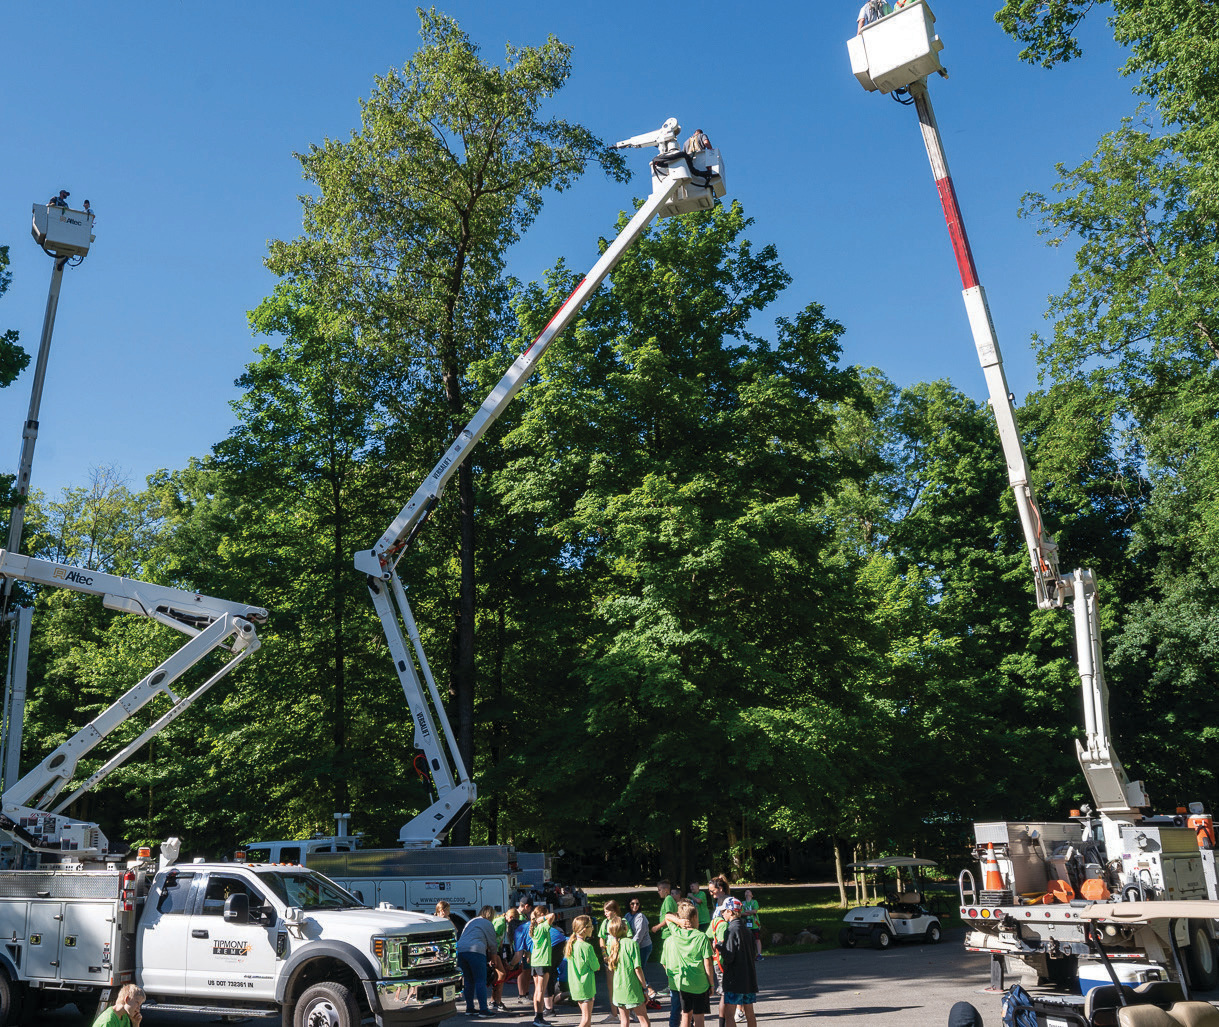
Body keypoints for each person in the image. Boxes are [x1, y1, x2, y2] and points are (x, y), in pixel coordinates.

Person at [661, 902, 713, 1027]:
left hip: (683, 983)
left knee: (685, 1015)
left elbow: (667, 917)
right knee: (699, 1016)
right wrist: (711, 983)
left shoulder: (676, 934)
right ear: (694, 917)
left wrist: (678, 922)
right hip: (700, 983)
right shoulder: (702, 937)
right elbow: (708, 963)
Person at [608, 916, 657, 1027]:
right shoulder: (632, 944)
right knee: (644, 1021)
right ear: (625, 929)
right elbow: (637, 969)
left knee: (624, 1022)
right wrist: (645, 988)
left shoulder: (612, 945)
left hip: (618, 989)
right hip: (632, 989)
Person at [715, 901, 757, 1027]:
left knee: (729, 1014)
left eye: (724, 911)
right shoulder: (747, 930)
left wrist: (719, 947)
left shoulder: (730, 930)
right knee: (750, 1012)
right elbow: (754, 953)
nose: (722, 914)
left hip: (734, 979)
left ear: (730, 912)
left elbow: (729, 957)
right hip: (749, 978)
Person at [458, 905, 500, 1018]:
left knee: (468, 981)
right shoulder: (488, 924)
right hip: (475, 951)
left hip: (461, 951)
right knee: (480, 980)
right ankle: (483, 1010)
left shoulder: (471, 921)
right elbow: (493, 944)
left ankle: (470, 1008)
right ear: (491, 915)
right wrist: (493, 959)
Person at [567, 915, 601, 1027]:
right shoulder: (587, 947)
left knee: (587, 1021)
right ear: (585, 929)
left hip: (575, 986)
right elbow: (596, 966)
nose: (593, 929)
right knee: (586, 1019)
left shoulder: (572, 945)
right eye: (591, 926)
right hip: (585, 986)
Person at [530, 904, 557, 1026]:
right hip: (543, 961)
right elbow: (552, 915)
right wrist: (542, 918)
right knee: (541, 990)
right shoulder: (542, 926)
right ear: (542, 915)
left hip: (535, 961)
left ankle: (537, 1015)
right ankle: (539, 1018)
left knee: (537, 990)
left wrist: (537, 919)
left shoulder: (534, 928)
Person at [625, 896, 655, 992]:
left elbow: (639, 934)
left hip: (643, 946)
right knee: (635, 968)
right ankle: (641, 988)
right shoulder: (627, 916)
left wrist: (631, 946)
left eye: (637, 904)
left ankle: (649, 990)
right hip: (634, 946)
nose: (635, 906)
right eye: (632, 904)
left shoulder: (640, 917)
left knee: (638, 968)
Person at [599, 899, 623, 1015]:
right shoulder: (605, 923)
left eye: (607, 911)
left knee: (622, 984)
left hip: (619, 958)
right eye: (605, 911)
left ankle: (627, 1011)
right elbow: (601, 938)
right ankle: (614, 1014)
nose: (605, 914)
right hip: (609, 959)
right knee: (611, 986)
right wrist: (604, 954)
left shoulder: (622, 922)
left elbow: (627, 937)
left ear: (614, 911)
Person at [740, 891, 762, 960]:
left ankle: (759, 954)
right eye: (746, 892)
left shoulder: (754, 902)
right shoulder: (742, 903)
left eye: (749, 892)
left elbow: (755, 911)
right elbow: (741, 913)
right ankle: (750, 954)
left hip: (755, 924)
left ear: (752, 895)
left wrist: (747, 912)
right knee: (747, 939)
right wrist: (750, 912)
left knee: (757, 939)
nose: (747, 892)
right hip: (746, 924)